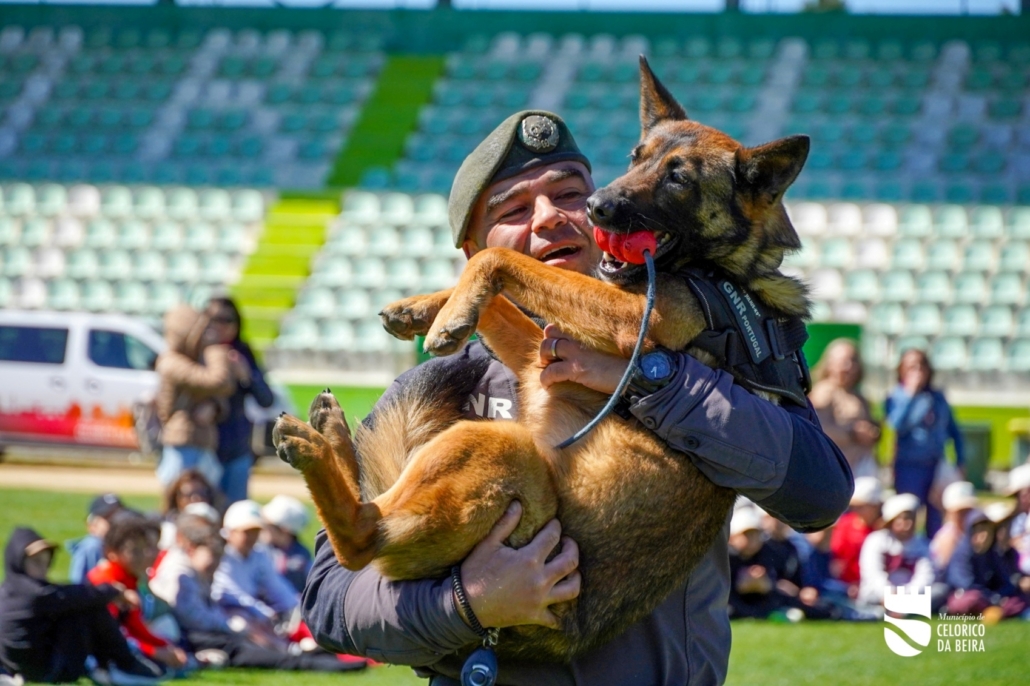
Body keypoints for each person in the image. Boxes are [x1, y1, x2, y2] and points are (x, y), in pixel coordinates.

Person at [301, 110, 853, 685]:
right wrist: (467, 603)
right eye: (513, 209)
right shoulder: (433, 386)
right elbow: (329, 604)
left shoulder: (712, 341)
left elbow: (819, 493)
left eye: (569, 195)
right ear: (472, 253)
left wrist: (651, 377)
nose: (548, 219)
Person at [150, 513, 364, 673]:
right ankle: (322, 663)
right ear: (191, 549)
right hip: (189, 638)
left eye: (218, 556)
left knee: (253, 640)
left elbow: (276, 589)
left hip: (207, 632)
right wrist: (233, 628)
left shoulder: (199, 567)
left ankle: (318, 656)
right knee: (251, 648)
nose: (215, 562)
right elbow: (193, 617)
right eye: (212, 556)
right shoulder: (181, 574)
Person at [0, 527, 163, 685]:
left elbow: (67, 594)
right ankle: (123, 665)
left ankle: (116, 664)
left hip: (22, 669)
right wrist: (115, 591)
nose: (43, 568)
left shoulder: (9, 590)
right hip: (45, 672)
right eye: (36, 562)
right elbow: (79, 595)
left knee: (78, 605)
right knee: (88, 608)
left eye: (45, 561)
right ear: (18, 561)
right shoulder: (34, 594)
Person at [87, 514, 189, 674]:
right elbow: (113, 635)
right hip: (103, 651)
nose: (142, 557)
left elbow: (134, 625)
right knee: (158, 671)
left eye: (144, 550)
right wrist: (155, 651)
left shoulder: (130, 578)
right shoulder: (106, 582)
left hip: (125, 644)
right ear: (111, 552)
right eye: (134, 552)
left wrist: (165, 646)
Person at [154, 304, 239, 489]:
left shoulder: (192, 360)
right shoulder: (171, 362)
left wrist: (214, 406)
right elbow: (218, 381)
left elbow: (225, 389)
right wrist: (216, 349)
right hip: (182, 440)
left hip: (200, 439)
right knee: (181, 493)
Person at [886, 348, 965, 538]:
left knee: (936, 514)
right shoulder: (896, 396)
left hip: (935, 463)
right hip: (909, 465)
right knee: (908, 510)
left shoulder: (937, 397)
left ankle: (933, 553)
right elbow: (897, 425)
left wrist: (960, 460)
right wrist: (911, 395)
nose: (918, 371)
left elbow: (953, 429)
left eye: (921, 366)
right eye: (911, 367)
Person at [206, 296, 275, 505]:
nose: (220, 325)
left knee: (236, 511)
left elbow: (266, 399)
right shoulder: (198, 351)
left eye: (227, 320)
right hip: (204, 445)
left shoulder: (242, 352)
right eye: (213, 319)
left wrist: (246, 375)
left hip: (236, 445)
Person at [211, 500, 299, 627]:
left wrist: (297, 608)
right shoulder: (221, 555)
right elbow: (235, 595)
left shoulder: (258, 553)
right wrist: (265, 613)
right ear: (230, 532)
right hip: (226, 611)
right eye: (246, 532)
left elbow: (276, 585)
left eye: (255, 532)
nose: (252, 537)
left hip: (252, 611)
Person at [808, 339, 881, 478]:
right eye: (844, 362)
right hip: (835, 469)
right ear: (830, 364)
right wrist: (852, 434)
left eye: (853, 361)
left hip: (862, 465)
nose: (849, 367)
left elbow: (872, 425)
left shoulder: (859, 395)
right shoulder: (824, 392)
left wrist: (874, 432)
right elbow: (817, 430)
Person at [945, 509, 1029, 620]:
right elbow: (965, 584)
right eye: (978, 532)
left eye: (986, 531)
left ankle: (993, 613)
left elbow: (1005, 581)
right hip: (969, 595)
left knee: (1019, 600)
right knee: (969, 600)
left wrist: (999, 596)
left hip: (992, 597)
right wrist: (991, 597)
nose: (983, 536)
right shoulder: (962, 553)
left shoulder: (993, 553)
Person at [857, 493, 935, 608]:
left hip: (911, 596)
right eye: (902, 519)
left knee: (938, 592)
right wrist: (888, 593)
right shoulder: (876, 540)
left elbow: (926, 576)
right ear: (891, 520)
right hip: (878, 595)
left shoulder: (923, 545)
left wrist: (905, 595)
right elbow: (872, 573)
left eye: (911, 518)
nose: (907, 524)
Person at [830, 476, 883, 593]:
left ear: (876, 506)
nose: (856, 511)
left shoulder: (883, 530)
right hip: (844, 586)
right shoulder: (845, 524)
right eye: (854, 507)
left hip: (873, 587)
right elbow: (837, 557)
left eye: (861, 507)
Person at [260, 495, 313, 594]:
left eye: (267, 524)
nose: (262, 527)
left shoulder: (301, 559)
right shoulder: (259, 549)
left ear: (285, 531)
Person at [68, 493, 124, 584]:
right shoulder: (92, 547)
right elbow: (78, 585)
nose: (116, 521)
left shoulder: (121, 543)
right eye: (109, 518)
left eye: (119, 516)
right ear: (92, 525)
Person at [930, 480, 979, 572]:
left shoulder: (970, 532)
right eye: (960, 512)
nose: (966, 515)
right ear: (949, 512)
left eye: (969, 510)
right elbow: (944, 569)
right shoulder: (949, 536)